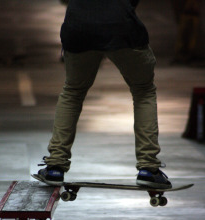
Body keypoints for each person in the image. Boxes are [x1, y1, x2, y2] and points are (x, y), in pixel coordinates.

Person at [38, 0, 172, 189]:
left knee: (73, 92)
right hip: (120, 25)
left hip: (79, 26)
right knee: (143, 91)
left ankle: (55, 166)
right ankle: (149, 169)